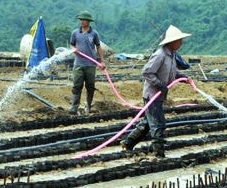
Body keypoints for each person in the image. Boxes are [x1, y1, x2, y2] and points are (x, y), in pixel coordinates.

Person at [120, 25, 192, 158]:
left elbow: (174, 72)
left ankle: (128, 143)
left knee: (148, 122)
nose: (181, 43)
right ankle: (159, 154)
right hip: (152, 95)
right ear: (171, 42)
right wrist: (160, 85)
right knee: (158, 123)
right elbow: (147, 72)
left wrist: (184, 78)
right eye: (179, 41)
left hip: (159, 96)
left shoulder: (172, 55)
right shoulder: (160, 55)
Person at [69, 10, 105, 115]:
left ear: (89, 21)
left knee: (90, 86)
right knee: (77, 85)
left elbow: (98, 47)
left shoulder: (94, 34)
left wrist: (102, 61)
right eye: (81, 19)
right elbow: (71, 44)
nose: (82, 21)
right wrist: (74, 49)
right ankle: (74, 107)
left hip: (90, 64)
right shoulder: (75, 33)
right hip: (78, 64)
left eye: (84, 19)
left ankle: (88, 106)